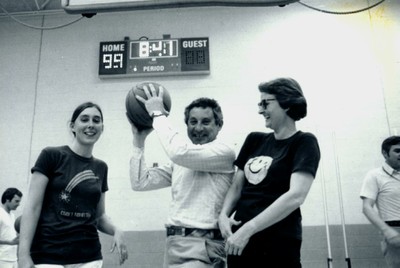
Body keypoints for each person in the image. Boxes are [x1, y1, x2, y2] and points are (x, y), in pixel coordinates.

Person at [129, 83, 236, 267]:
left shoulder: (224, 152)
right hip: (173, 243)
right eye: (193, 122)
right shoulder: (181, 161)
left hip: (204, 244)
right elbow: (140, 182)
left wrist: (157, 113)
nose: (198, 128)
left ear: (219, 125)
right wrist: (139, 140)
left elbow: (178, 152)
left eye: (206, 122)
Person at [218, 77, 320, 267]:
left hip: (278, 242)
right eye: (259, 103)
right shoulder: (254, 139)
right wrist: (223, 215)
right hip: (239, 241)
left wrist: (249, 229)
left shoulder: (304, 142)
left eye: (265, 103)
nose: (260, 110)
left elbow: (296, 196)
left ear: (287, 104)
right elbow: (237, 186)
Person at [18, 102, 128, 268]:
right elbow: (32, 208)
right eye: (84, 119)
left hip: (89, 257)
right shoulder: (51, 156)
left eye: (96, 120)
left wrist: (116, 230)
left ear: (102, 128)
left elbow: (99, 216)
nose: (91, 125)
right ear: (72, 126)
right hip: (48, 256)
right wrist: (23, 255)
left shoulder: (101, 167)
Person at [360, 136, 400, 268]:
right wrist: (386, 230)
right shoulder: (375, 175)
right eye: (397, 151)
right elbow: (367, 207)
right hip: (394, 230)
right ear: (385, 153)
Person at [0, 188, 23, 268]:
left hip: (13, 259)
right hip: (2, 260)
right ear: (7, 199)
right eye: (16, 201)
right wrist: (10, 242)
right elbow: (10, 241)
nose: (19, 204)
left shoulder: (12, 215)